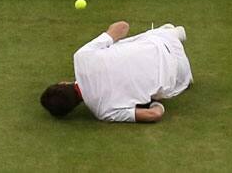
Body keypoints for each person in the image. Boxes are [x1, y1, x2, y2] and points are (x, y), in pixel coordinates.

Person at [40, 21, 193, 123]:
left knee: (156, 91)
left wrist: (154, 104)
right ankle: (174, 33)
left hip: (177, 76)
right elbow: (123, 26)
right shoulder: (81, 57)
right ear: (62, 83)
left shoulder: (102, 112)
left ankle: (184, 74)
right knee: (122, 44)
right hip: (163, 41)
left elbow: (154, 115)